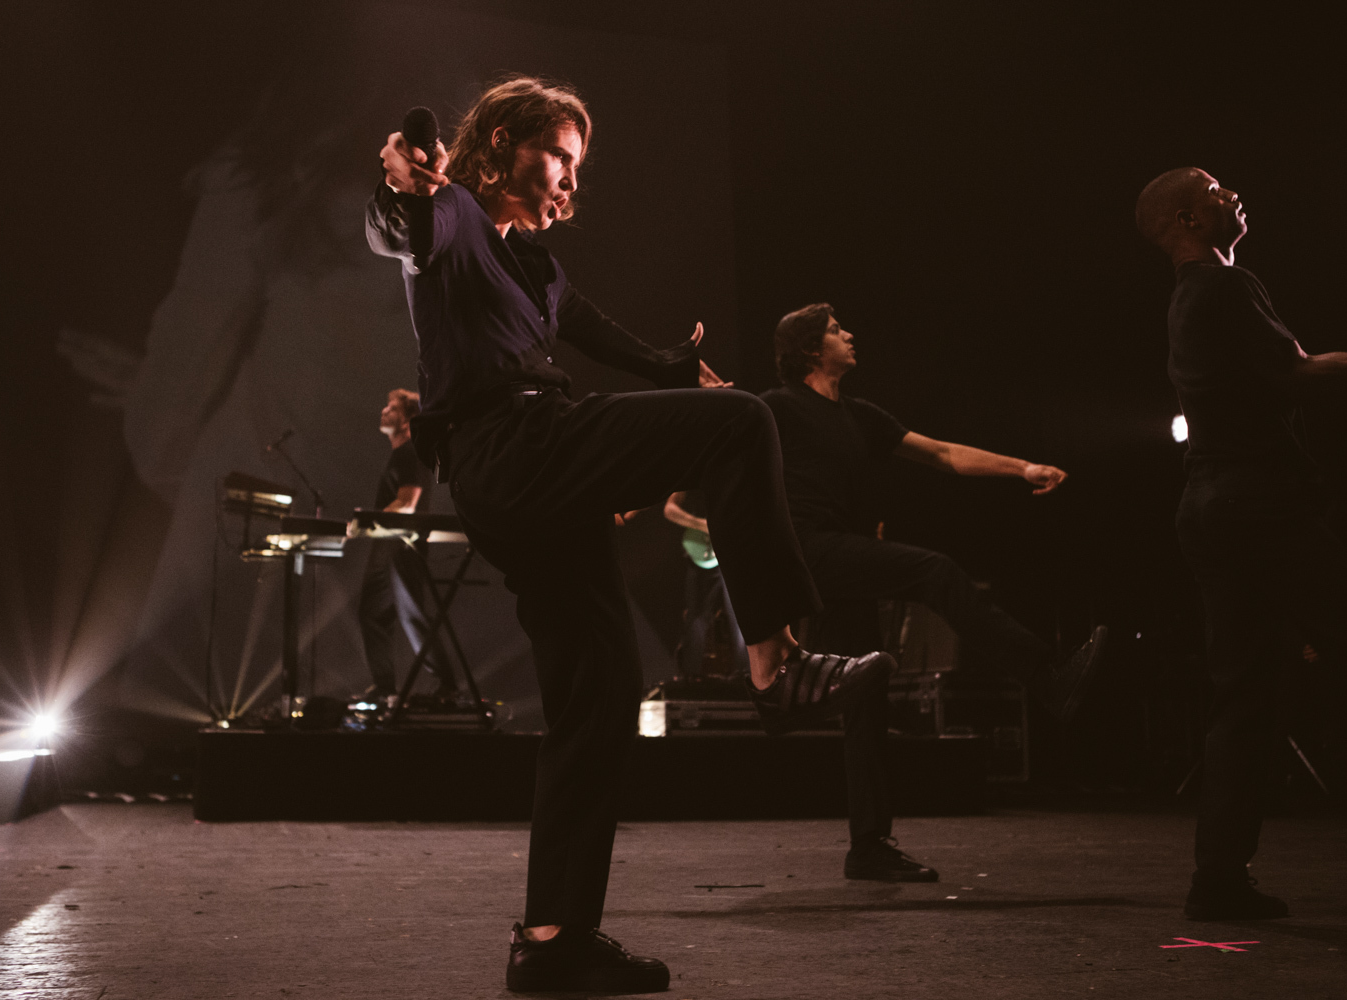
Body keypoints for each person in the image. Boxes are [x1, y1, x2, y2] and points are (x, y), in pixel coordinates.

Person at [368, 77, 892, 994]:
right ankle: (775, 664)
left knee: (600, 694)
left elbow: (606, 338)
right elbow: (400, 228)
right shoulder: (451, 215)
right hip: (511, 445)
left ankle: (552, 937)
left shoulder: (540, 270)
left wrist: (671, 363)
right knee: (743, 420)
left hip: (535, 482)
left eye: (578, 164)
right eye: (557, 155)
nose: (572, 179)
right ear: (500, 142)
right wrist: (401, 186)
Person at [1135, 166, 1347, 921]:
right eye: (1217, 190)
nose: (1233, 194)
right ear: (1188, 219)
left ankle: (1218, 880)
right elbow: (1301, 375)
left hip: (1212, 510)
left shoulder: (1192, 297)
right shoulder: (1224, 286)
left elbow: (1294, 368)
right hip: (1260, 509)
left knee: (1242, 699)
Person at [760, 304, 1110, 882]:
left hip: (841, 558)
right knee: (935, 571)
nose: (849, 334)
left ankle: (868, 846)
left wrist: (1022, 468)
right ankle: (1047, 675)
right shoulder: (778, 407)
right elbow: (722, 444)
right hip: (812, 553)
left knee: (865, 695)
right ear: (809, 350)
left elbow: (942, 454)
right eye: (836, 330)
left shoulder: (859, 415)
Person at [354, 388, 457, 703]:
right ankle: (385, 687)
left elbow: (407, 503)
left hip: (400, 545)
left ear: (408, 419)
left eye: (392, 408)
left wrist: (368, 521)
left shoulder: (410, 452)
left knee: (413, 616)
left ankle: (447, 686)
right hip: (391, 544)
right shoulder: (403, 453)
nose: (384, 411)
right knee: (374, 613)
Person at [663, 491, 749, 677]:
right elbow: (669, 510)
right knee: (696, 620)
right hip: (703, 554)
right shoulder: (692, 478)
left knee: (741, 619)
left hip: (734, 551)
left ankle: (748, 679)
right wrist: (704, 525)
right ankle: (689, 680)